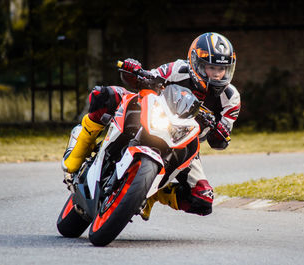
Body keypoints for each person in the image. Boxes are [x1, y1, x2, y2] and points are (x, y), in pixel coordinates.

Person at [62, 32, 241, 220]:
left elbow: (220, 141)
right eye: (211, 67)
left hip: (184, 142)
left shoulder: (231, 98)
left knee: (202, 199)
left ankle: (153, 193)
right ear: (196, 62)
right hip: (153, 114)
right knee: (103, 95)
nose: (217, 74)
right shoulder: (179, 68)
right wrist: (134, 70)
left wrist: (220, 133)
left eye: (222, 69)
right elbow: (146, 80)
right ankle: (76, 153)